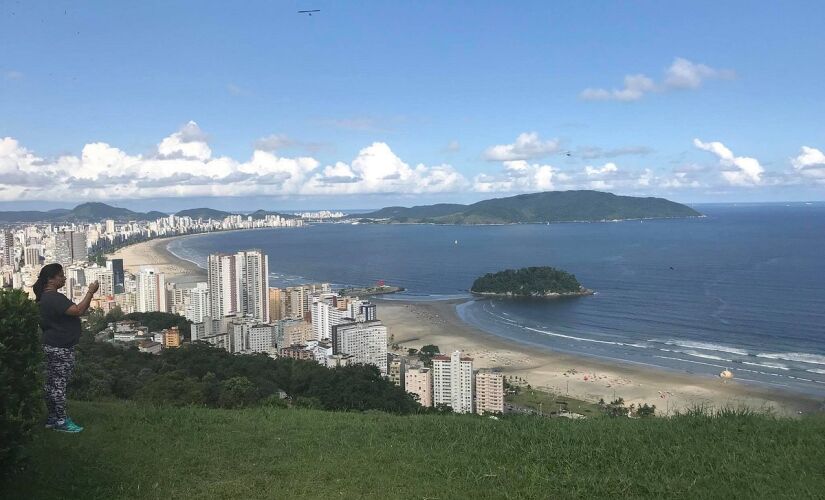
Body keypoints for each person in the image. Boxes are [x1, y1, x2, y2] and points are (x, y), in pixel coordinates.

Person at [33, 263, 99, 433]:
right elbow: (78, 310)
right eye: (61, 275)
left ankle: (53, 417)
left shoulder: (43, 297)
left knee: (52, 384)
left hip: (52, 344)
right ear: (51, 279)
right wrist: (90, 292)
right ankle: (61, 420)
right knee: (59, 385)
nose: (64, 278)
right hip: (60, 347)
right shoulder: (53, 297)